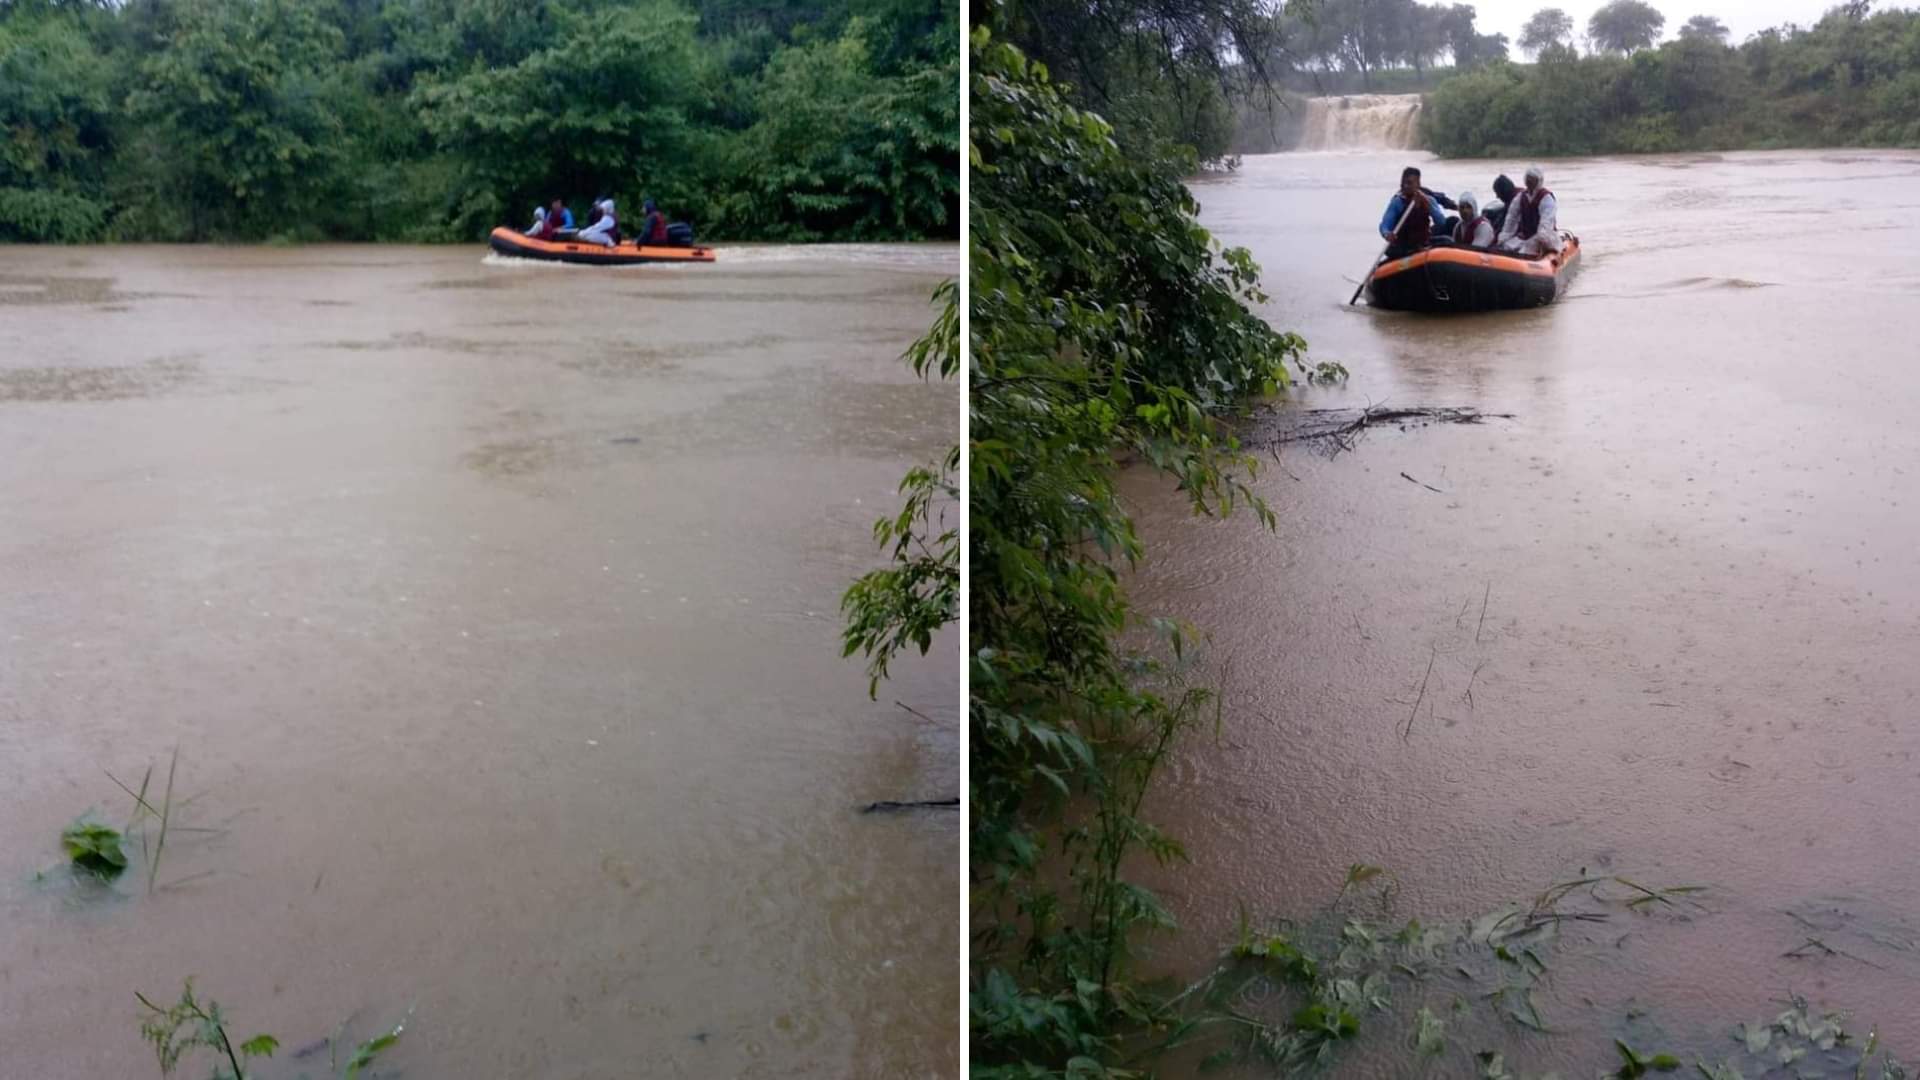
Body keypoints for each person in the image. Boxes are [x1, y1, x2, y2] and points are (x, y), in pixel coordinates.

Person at [1379, 165, 1448, 257]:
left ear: (1418, 184)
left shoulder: (1429, 200)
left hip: (1423, 242)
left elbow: (1441, 222)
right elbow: (1384, 225)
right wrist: (1387, 234)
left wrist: (1429, 205)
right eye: (1403, 183)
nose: (1405, 186)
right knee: (1391, 250)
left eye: (1409, 183)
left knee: (1446, 241)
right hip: (1404, 245)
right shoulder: (1398, 202)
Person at [1497, 165, 1562, 257]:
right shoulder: (1520, 197)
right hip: (1526, 236)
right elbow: (1511, 219)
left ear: (1538, 181)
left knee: (1525, 251)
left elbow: (1546, 222)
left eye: (1532, 179)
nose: (1529, 181)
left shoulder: (1546, 198)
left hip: (1544, 236)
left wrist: (1541, 238)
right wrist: (1504, 237)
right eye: (1528, 179)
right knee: (1506, 246)